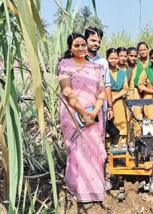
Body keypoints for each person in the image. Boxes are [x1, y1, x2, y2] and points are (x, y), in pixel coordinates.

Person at [58, 33, 107, 202]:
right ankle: (79, 189)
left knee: (94, 151)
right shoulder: (65, 65)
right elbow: (67, 91)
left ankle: (95, 189)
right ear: (70, 48)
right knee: (79, 151)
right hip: (74, 115)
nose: (80, 48)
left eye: (83, 45)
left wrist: (94, 112)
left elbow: (101, 93)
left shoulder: (96, 67)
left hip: (94, 115)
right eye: (76, 45)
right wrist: (82, 111)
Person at [85, 27, 114, 127]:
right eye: (93, 40)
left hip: (101, 107)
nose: (96, 44)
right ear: (85, 40)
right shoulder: (79, 60)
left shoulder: (103, 62)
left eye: (99, 41)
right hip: (83, 107)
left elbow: (107, 85)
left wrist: (110, 107)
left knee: (99, 138)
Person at [106, 48, 129, 144]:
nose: (113, 60)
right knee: (108, 126)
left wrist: (115, 97)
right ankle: (107, 153)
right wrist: (109, 99)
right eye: (111, 58)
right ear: (107, 58)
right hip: (106, 101)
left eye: (115, 58)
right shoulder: (104, 71)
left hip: (119, 102)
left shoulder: (122, 73)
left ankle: (121, 152)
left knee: (121, 126)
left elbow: (125, 89)